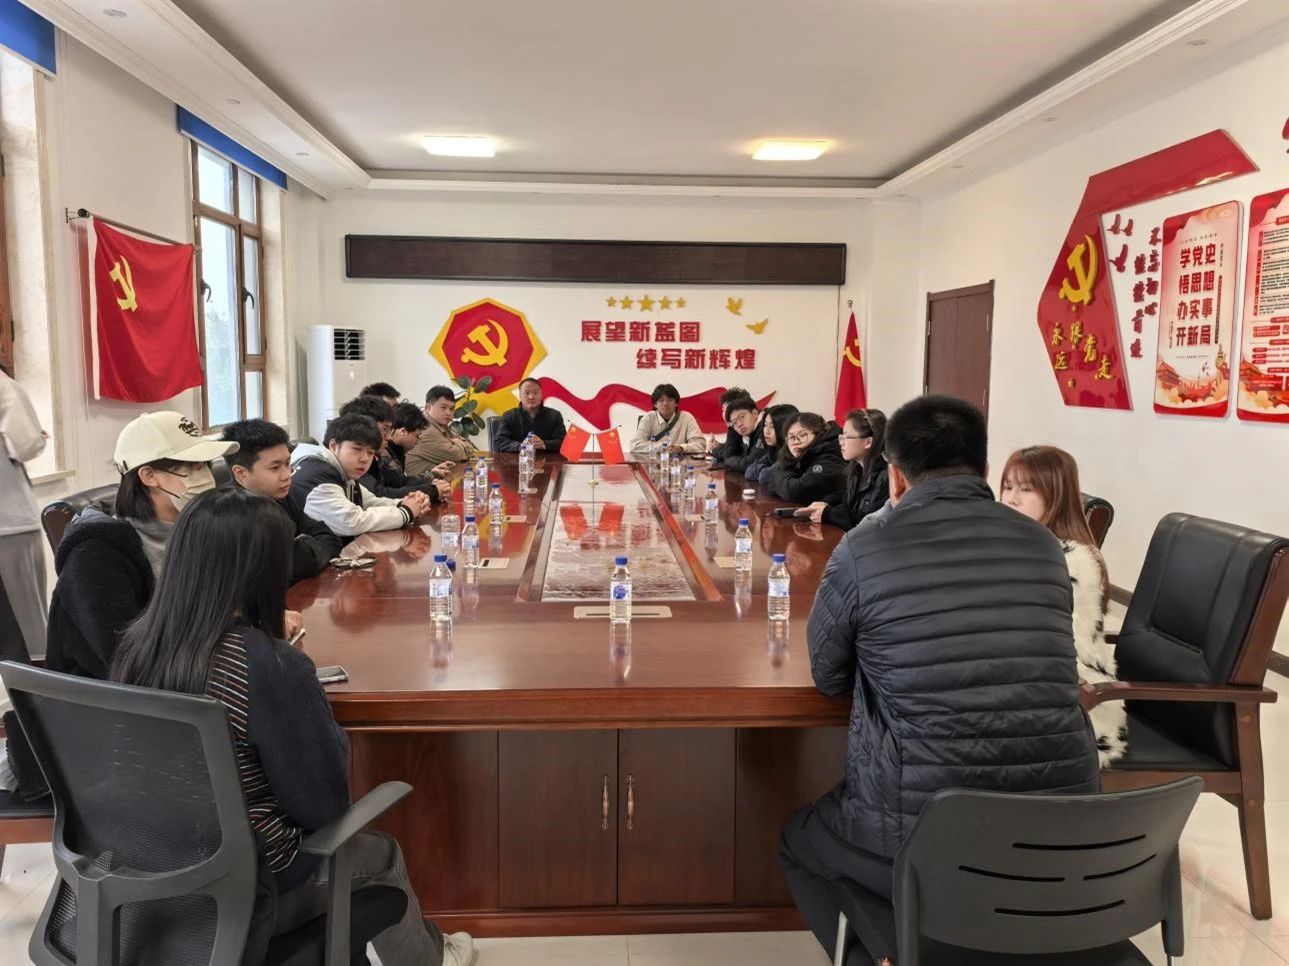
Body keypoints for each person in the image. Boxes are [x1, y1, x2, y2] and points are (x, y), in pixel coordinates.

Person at [780, 396, 1099, 962]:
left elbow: (828, 675)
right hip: (1064, 833)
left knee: (798, 839)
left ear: (895, 476)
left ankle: (883, 955)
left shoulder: (865, 546)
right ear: (985, 468)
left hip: (922, 837)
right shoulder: (1044, 545)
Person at [110, 487, 475, 966]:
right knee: (378, 852)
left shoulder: (137, 644)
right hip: (252, 880)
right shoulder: (267, 665)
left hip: (146, 866)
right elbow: (325, 805)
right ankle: (431, 959)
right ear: (265, 570)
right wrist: (295, 676)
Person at [44, 411, 236, 680]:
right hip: (109, 697)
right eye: (192, 466)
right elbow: (126, 658)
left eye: (205, 465)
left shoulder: (196, 530)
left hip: (188, 674)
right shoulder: (95, 556)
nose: (205, 476)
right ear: (149, 475)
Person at [1001, 444, 1126, 766]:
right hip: (1035, 687)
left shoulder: (1071, 560)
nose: (1011, 499)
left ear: (1055, 496)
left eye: (1025, 490)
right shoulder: (1021, 546)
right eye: (1008, 487)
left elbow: (1056, 652)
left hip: (1076, 706)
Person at [219, 419, 343, 584]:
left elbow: (329, 537)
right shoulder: (230, 515)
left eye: (287, 463)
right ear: (241, 473)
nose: (286, 475)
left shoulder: (280, 496)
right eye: (275, 468)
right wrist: (306, 553)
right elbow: (290, 568)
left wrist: (305, 554)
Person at [289, 414, 431, 538]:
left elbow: (370, 501)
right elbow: (351, 521)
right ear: (333, 445)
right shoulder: (317, 474)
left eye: (370, 453)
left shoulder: (341, 470)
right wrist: (406, 512)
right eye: (357, 449)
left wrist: (406, 503)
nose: (364, 459)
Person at [0, 370, 48, 662]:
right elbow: (25, 444)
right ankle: (36, 686)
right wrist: (38, 437)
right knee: (28, 624)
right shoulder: (4, 386)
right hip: (10, 520)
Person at [338, 395, 449, 503]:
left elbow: (398, 483)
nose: (388, 437)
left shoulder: (377, 455)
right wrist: (431, 491)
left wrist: (430, 487)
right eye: (384, 429)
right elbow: (380, 495)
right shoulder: (334, 470)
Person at [801, 409, 889, 529]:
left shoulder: (887, 477)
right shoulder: (855, 469)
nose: (841, 443)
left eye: (847, 437)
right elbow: (847, 505)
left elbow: (867, 523)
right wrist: (825, 504)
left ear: (868, 442)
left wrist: (828, 514)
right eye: (841, 436)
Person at [766, 413, 845, 504]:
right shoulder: (798, 456)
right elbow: (770, 481)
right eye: (791, 437)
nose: (796, 441)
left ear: (818, 434)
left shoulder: (830, 455)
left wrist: (779, 480)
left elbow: (796, 491)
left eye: (802, 435)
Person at [405, 386, 476, 477]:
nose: (448, 413)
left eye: (451, 409)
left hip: (441, 479)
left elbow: (470, 447)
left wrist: (456, 443)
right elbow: (456, 456)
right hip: (423, 483)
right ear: (428, 408)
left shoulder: (441, 425)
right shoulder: (424, 429)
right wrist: (456, 442)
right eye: (443, 407)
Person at [492, 377, 567, 453]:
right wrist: (521, 446)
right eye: (527, 393)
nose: (531, 397)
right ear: (520, 396)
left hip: (548, 459)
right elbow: (499, 443)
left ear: (541, 394)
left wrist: (544, 444)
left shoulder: (555, 416)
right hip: (517, 459)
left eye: (535, 393)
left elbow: (564, 443)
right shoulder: (509, 416)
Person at [630, 384, 707, 456]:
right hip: (652, 463)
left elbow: (700, 445)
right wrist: (662, 448)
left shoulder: (686, 417)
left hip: (679, 464)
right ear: (655, 404)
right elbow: (635, 446)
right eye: (661, 400)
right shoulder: (648, 418)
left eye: (670, 400)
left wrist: (681, 448)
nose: (665, 404)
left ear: (676, 403)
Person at [387, 402, 451, 479]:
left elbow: (403, 481)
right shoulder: (386, 456)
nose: (419, 440)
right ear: (402, 432)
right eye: (417, 436)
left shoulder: (396, 452)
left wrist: (433, 473)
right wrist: (432, 475)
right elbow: (402, 484)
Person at [743, 404, 798, 483]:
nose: (766, 431)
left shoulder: (793, 453)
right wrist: (764, 469)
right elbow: (749, 470)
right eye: (765, 425)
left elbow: (764, 477)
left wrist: (762, 470)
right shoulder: (774, 449)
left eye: (772, 426)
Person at [712, 396, 766, 474]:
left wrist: (728, 459)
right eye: (734, 423)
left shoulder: (765, 428)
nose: (739, 424)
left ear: (755, 413)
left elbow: (750, 464)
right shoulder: (748, 433)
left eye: (742, 417)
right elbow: (740, 455)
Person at [707, 386, 752, 460]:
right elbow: (730, 450)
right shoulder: (734, 428)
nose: (725, 415)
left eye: (727, 411)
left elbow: (729, 456)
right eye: (723, 411)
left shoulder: (745, 427)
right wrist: (718, 446)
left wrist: (713, 449)